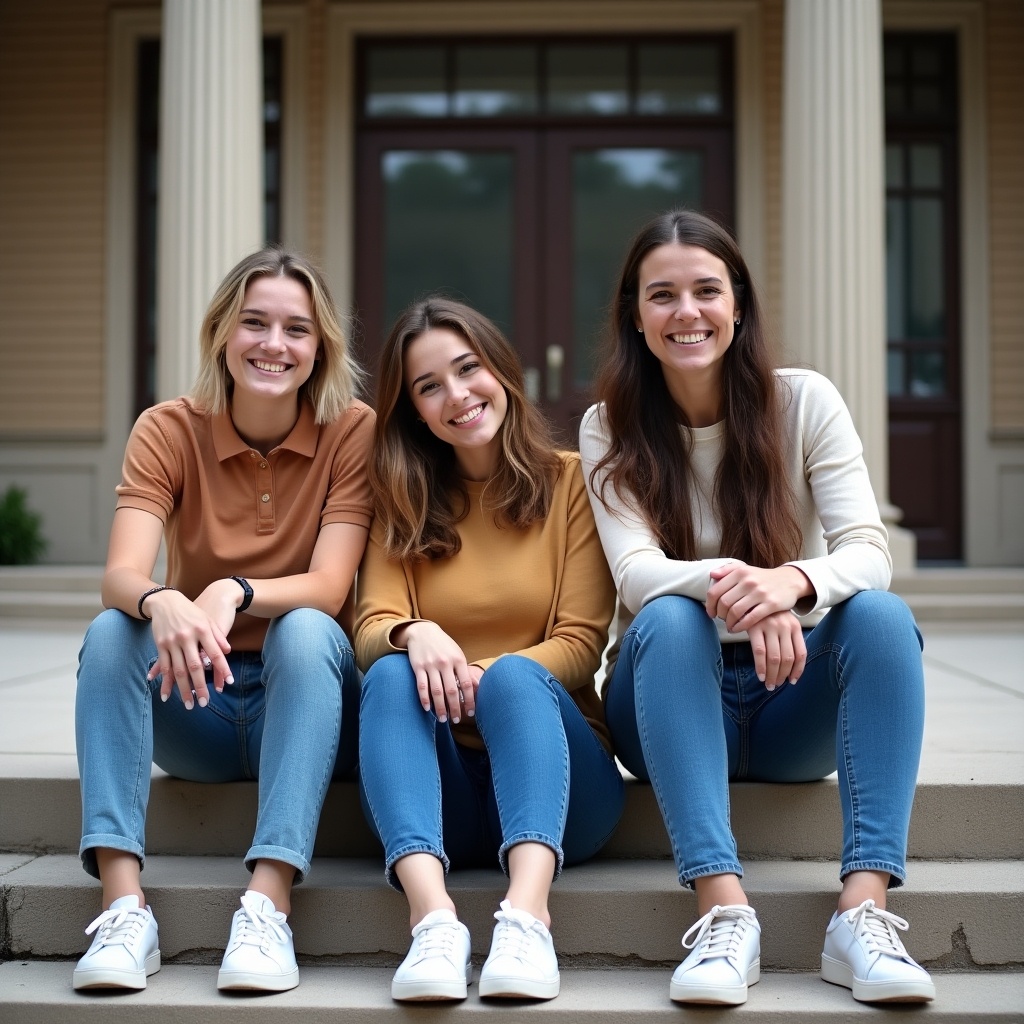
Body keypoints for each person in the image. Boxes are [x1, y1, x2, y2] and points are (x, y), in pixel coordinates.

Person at [579, 209, 936, 1007]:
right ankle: (722, 914)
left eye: (706, 290)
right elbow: (638, 577)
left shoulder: (804, 401)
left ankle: (863, 913)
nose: (687, 313)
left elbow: (866, 551)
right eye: (662, 295)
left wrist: (796, 586)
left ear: (737, 304)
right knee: (669, 618)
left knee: (880, 616)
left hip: (789, 702)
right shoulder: (609, 426)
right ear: (635, 317)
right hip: (666, 699)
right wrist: (751, 587)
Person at [72, 246, 375, 994]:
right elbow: (120, 574)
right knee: (112, 631)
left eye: (297, 329)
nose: (275, 345)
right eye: (255, 324)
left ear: (320, 347)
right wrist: (161, 598)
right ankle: (123, 909)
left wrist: (235, 590)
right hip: (196, 704)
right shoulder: (168, 429)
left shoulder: (352, 430)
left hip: (302, 707)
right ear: (220, 334)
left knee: (307, 629)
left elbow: (332, 586)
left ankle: (267, 905)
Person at [355, 297, 624, 1003]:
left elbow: (579, 642)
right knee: (387, 671)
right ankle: (433, 919)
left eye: (468, 369)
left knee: (513, 681)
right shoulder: (403, 498)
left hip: (561, 786)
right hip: (440, 784)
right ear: (413, 410)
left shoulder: (573, 481)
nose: (458, 396)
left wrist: (488, 674)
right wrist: (417, 632)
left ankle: (528, 915)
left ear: (502, 371)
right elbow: (372, 621)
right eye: (429, 385)